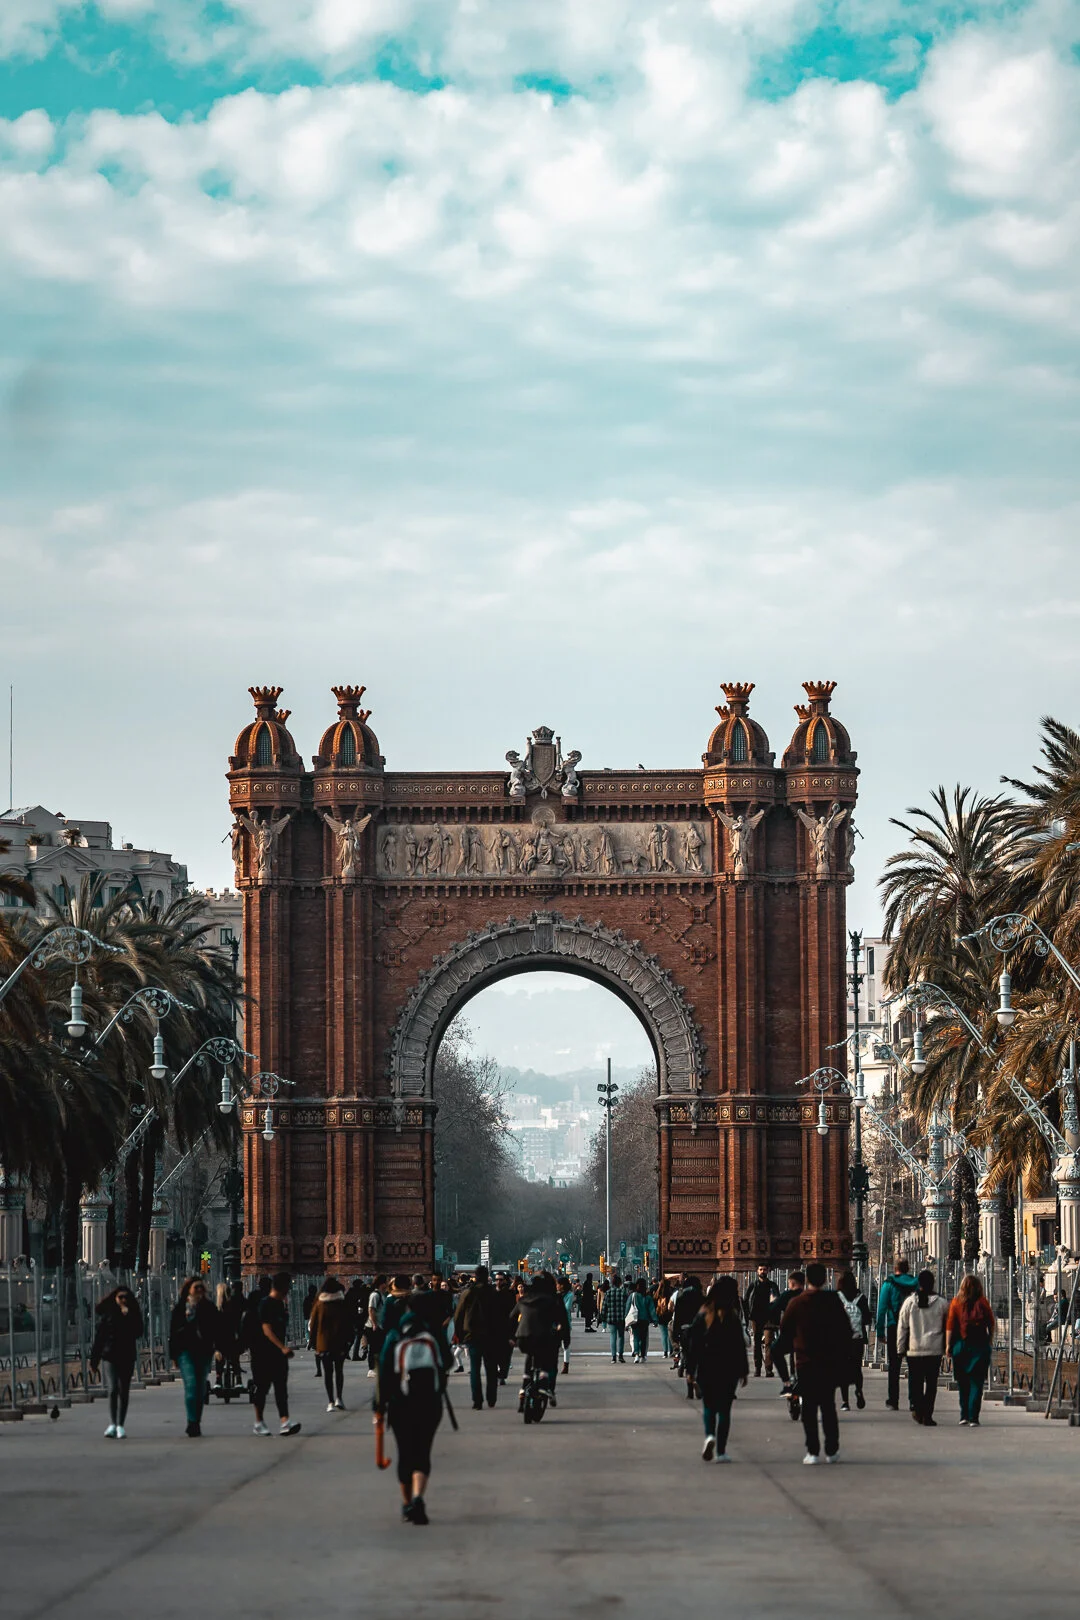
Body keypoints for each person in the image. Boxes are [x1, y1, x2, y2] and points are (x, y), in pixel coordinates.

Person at [376, 1299, 451, 1525]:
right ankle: (419, 1497)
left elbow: (384, 1372)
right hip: (430, 1403)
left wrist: (379, 1406)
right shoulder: (433, 1334)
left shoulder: (395, 1335)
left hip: (401, 1404)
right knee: (423, 1451)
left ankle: (407, 1503)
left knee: (405, 1453)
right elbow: (447, 1362)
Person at [780, 1262, 850, 1464]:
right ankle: (831, 1449)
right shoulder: (833, 1301)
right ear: (825, 1279)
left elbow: (785, 1330)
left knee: (809, 1408)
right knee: (828, 1406)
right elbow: (845, 1329)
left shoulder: (797, 1302)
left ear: (807, 1280)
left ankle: (812, 1451)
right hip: (829, 1362)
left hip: (805, 1362)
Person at [683, 1277, 748, 1462]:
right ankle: (721, 1451)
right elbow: (739, 1346)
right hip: (729, 1368)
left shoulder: (704, 1314)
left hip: (707, 1367)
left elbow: (693, 1344)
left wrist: (690, 1370)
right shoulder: (732, 1316)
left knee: (709, 1406)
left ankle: (709, 1435)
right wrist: (743, 1370)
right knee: (725, 1410)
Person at [251, 1271, 301, 1437]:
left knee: (281, 1389)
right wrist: (282, 1347)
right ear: (283, 1287)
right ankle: (259, 1422)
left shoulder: (280, 1304)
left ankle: (284, 1421)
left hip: (278, 1356)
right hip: (263, 1353)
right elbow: (266, 1329)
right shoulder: (265, 1304)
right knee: (262, 1389)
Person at [168, 1276, 219, 1438]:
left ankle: (196, 1420)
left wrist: (218, 1348)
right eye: (196, 1287)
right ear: (188, 1289)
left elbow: (217, 1329)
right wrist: (173, 1355)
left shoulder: (209, 1307)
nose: (199, 1290)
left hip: (204, 1351)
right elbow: (173, 1332)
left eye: (201, 1287)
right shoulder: (180, 1308)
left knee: (200, 1388)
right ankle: (191, 1422)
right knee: (191, 1385)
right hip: (185, 1351)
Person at [897, 1269, 949, 1425]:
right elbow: (948, 1327)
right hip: (934, 1349)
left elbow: (902, 1327)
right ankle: (927, 1414)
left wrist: (900, 1348)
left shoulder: (909, 1302)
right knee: (931, 1384)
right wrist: (948, 1346)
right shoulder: (942, 1304)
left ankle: (917, 1407)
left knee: (916, 1382)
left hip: (914, 1349)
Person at [91, 1285, 143, 1439]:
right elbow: (100, 1338)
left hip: (127, 1356)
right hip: (110, 1356)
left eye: (126, 1297)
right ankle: (112, 1423)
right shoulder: (108, 1314)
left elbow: (139, 1332)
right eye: (120, 1297)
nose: (123, 1300)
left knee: (123, 1390)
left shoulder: (133, 1314)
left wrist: (129, 1316)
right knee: (113, 1389)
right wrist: (94, 1360)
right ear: (115, 1298)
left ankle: (120, 1424)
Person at [511, 1271, 569, 1408]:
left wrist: (511, 1336)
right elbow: (562, 1320)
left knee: (530, 1356)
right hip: (545, 1337)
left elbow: (511, 1318)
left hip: (523, 1338)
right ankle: (547, 1386)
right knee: (549, 1360)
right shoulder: (553, 1299)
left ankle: (524, 1385)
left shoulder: (525, 1298)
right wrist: (565, 1337)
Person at [454, 1265, 507, 1410]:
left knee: (475, 1368)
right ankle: (491, 1397)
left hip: (472, 1334)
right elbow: (501, 1316)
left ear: (475, 1276)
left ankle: (477, 1400)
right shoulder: (494, 1293)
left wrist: (459, 1334)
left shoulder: (468, 1293)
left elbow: (458, 1315)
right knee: (491, 1368)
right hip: (491, 1335)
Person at [947, 1273, 995, 1427]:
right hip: (980, 1345)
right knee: (977, 1383)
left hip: (961, 1345)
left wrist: (948, 1345)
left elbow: (950, 1325)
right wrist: (990, 1339)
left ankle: (964, 1415)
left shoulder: (956, 1302)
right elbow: (991, 1322)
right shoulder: (983, 1302)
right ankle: (974, 1417)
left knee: (963, 1383)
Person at [876, 1256, 919, 1411]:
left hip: (894, 1326)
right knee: (914, 1365)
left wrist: (880, 1331)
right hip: (913, 1327)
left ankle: (893, 1400)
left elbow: (881, 1309)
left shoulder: (888, 1284)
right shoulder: (916, 1283)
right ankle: (914, 1400)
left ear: (895, 1268)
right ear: (908, 1268)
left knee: (894, 1365)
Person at [308, 1275, 351, 1411]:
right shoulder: (342, 1303)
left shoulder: (319, 1304)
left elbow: (313, 1325)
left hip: (324, 1343)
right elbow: (348, 1324)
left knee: (328, 1373)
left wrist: (313, 1343)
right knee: (339, 1371)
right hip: (340, 1343)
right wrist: (348, 1341)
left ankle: (330, 1402)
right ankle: (339, 1398)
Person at [834, 1270, 871, 1411]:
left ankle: (845, 1402)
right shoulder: (860, 1297)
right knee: (857, 1367)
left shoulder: (837, 1297)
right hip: (858, 1339)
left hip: (841, 1340)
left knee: (842, 1369)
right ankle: (858, 1390)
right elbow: (867, 1319)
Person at [770, 1271, 805, 1391]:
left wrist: (773, 1301)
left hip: (791, 1334)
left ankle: (786, 1382)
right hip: (807, 1335)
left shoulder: (787, 1295)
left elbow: (773, 1309)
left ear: (792, 1283)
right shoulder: (807, 1295)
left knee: (775, 1351)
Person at [743, 1264, 780, 1378]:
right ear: (757, 1271)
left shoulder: (772, 1285)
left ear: (768, 1271)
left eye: (764, 1269)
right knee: (757, 1343)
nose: (762, 1271)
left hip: (769, 1318)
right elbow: (746, 1301)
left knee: (769, 1343)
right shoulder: (753, 1285)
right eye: (760, 1269)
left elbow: (777, 1301)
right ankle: (757, 1368)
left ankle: (768, 1369)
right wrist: (748, 1315)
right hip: (756, 1317)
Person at [671, 1275, 704, 1396]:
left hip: (685, 1331)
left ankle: (690, 1386)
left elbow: (677, 1318)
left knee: (688, 1359)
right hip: (699, 1332)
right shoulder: (702, 1299)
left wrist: (675, 1335)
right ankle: (697, 1380)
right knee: (699, 1359)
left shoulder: (681, 1298)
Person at [599, 1272, 632, 1364]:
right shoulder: (623, 1292)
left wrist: (603, 1316)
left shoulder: (608, 1293)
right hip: (621, 1318)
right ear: (620, 1283)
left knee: (613, 1336)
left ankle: (613, 1357)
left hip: (611, 1318)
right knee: (621, 1336)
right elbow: (627, 1305)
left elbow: (604, 1306)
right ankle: (620, 1355)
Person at [494, 1272, 517, 1384]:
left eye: (501, 1279)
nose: (499, 1282)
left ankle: (502, 1375)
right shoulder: (491, 1293)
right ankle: (497, 1374)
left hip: (507, 1329)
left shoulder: (509, 1294)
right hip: (494, 1329)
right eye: (497, 1279)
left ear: (505, 1280)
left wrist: (513, 1335)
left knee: (506, 1355)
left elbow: (513, 1314)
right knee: (495, 1354)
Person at [628, 1277, 657, 1363]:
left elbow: (628, 1307)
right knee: (643, 1338)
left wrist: (626, 1320)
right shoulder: (648, 1297)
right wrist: (655, 1320)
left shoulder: (633, 1296)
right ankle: (643, 1355)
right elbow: (652, 1310)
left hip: (635, 1319)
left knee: (636, 1337)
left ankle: (636, 1354)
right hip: (644, 1320)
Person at [365, 1274, 388, 1379]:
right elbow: (371, 1309)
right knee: (373, 1348)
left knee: (379, 1348)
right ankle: (371, 1369)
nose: (386, 1285)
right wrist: (374, 1324)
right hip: (373, 1326)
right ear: (381, 1284)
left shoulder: (381, 1294)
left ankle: (377, 1368)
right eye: (385, 1282)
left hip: (379, 1325)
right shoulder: (375, 1295)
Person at [655, 1279, 674, 1357]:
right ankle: (671, 1351)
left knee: (663, 1334)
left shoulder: (658, 1293)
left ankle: (665, 1352)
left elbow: (655, 1302)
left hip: (660, 1315)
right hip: (669, 1315)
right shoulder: (671, 1293)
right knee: (670, 1334)